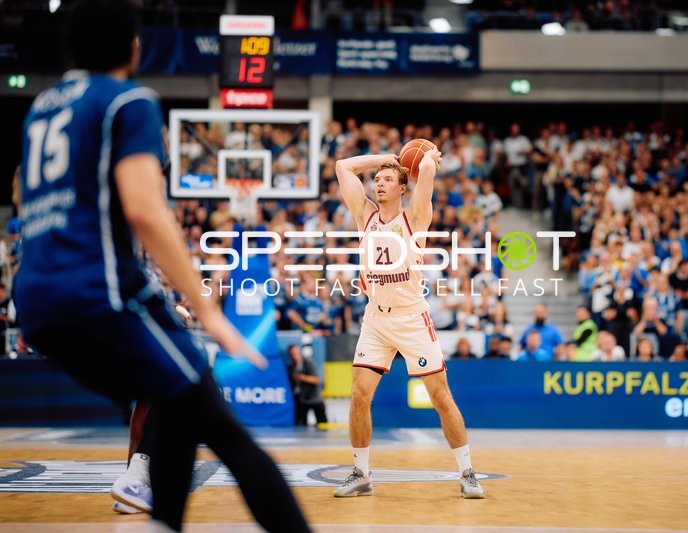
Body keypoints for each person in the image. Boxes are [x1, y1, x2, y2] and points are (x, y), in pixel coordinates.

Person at [15, 1, 310, 531]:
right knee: (225, 429)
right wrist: (207, 309)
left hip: (36, 300)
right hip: (98, 293)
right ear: (135, 46)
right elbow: (145, 209)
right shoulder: (127, 101)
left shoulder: (42, 108)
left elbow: (23, 193)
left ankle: (144, 487)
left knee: (178, 402)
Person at [332, 146, 485, 498]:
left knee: (441, 397)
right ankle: (361, 472)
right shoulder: (364, 216)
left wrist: (426, 158)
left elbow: (427, 172)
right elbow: (343, 167)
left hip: (412, 318)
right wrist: (384, 159)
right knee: (358, 395)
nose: (379, 184)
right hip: (375, 319)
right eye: (377, 180)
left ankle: (467, 473)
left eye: (388, 179)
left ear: (403, 188)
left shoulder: (415, 219)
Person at [287, 343, 328, 426]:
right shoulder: (291, 367)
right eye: (293, 354)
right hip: (302, 399)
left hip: (314, 398)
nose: (295, 356)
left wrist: (302, 377)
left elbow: (317, 380)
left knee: (322, 423)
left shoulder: (308, 363)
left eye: (297, 353)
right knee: (301, 423)